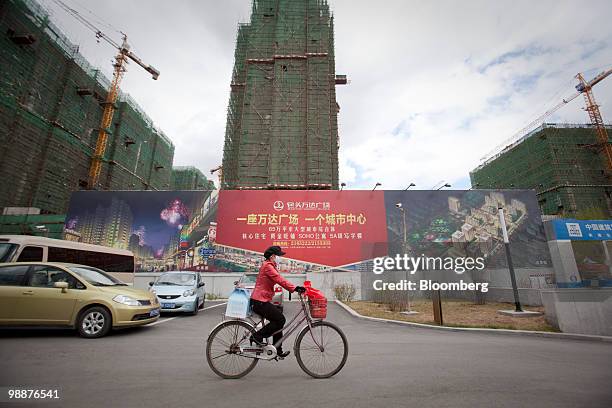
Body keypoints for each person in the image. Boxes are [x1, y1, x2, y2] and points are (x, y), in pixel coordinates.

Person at [250, 245, 306, 359]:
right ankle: (257, 336)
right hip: (259, 301)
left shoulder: (270, 265)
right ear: (272, 256)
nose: (279, 258)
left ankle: (277, 349)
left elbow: (279, 278)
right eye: (277, 256)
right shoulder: (268, 266)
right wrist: (294, 288)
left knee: (279, 320)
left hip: (261, 300)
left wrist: (293, 288)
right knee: (280, 319)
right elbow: (279, 279)